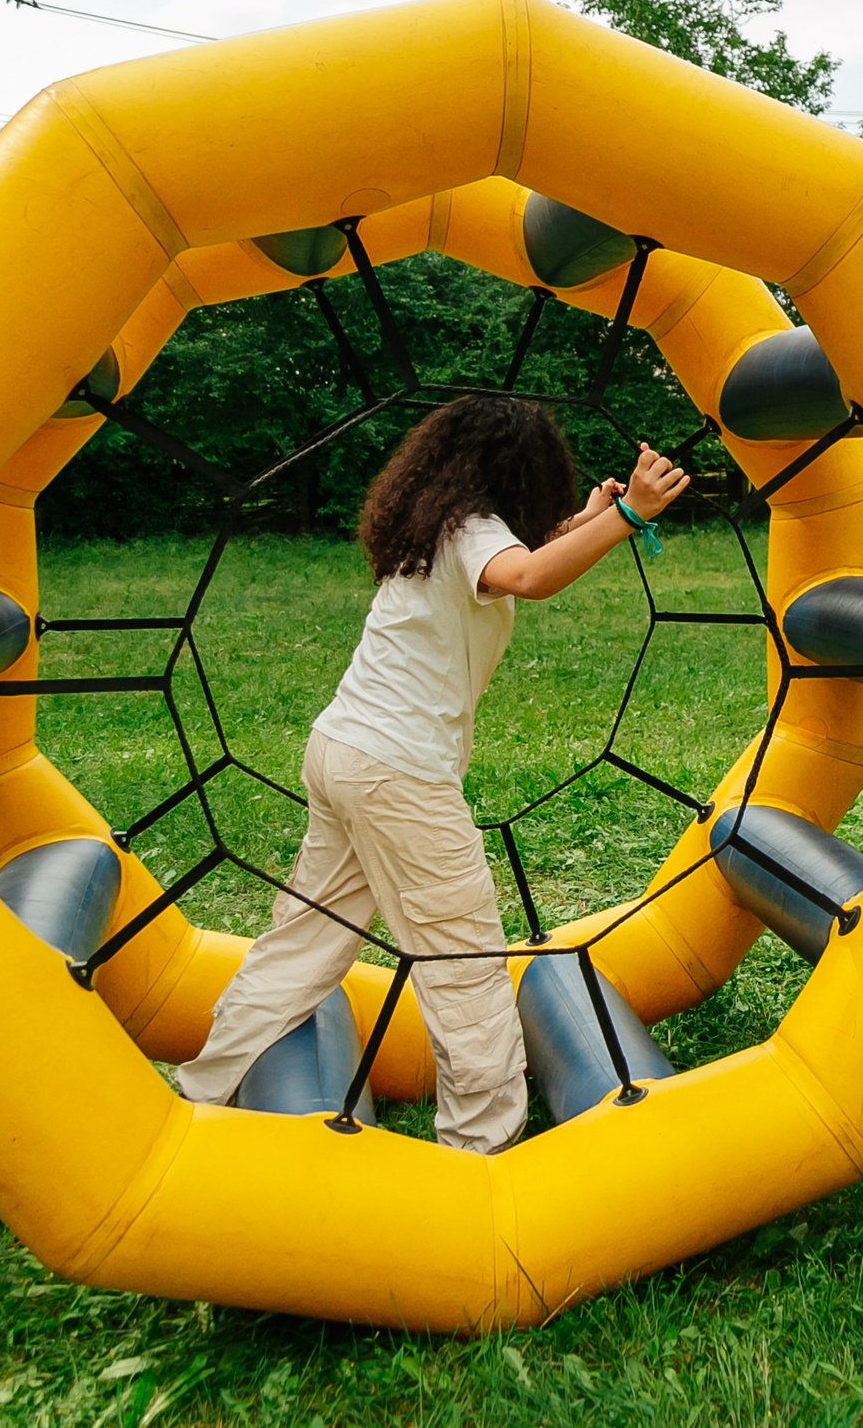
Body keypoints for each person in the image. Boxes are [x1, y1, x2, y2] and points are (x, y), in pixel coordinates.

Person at [177, 398, 690, 1149]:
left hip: (342, 752)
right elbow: (532, 576)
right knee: (467, 962)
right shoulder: (477, 535)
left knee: (305, 940)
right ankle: (482, 1150)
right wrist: (631, 513)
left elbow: (529, 555)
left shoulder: (437, 528)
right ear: (517, 473)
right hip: (399, 777)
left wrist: (591, 519)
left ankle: (201, 1091)